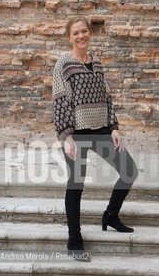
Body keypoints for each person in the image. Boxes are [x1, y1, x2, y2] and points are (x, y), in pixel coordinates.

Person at [52, 16, 138, 262]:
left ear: (90, 34)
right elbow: (59, 100)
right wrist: (66, 136)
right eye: (76, 33)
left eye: (84, 31)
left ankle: (110, 215)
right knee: (76, 184)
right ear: (69, 37)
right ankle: (74, 239)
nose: (81, 36)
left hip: (100, 129)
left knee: (129, 171)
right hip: (76, 134)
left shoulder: (96, 62)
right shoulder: (63, 63)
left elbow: (107, 96)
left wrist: (114, 128)